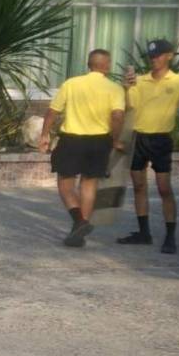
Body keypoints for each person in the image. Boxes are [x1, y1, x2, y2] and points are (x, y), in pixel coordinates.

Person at [39, 49, 125, 248]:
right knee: (89, 184)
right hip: (100, 141)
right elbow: (118, 116)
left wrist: (45, 135)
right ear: (107, 66)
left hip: (72, 140)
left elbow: (52, 112)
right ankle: (80, 228)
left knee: (65, 185)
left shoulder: (71, 84)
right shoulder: (115, 88)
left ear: (89, 64)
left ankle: (79, 223)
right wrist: (115, 139)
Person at [120, 39, 179, 254]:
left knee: (164, 188)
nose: (154, 59)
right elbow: (129, 106)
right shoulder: (140, 81)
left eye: (158, 55)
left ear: (169, 55)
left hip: (161, 140)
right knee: (139, 186)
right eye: (151, 56)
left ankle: (170, 236)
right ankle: (144, 233)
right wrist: (127, 88)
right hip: (139, 138)